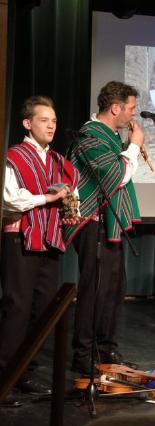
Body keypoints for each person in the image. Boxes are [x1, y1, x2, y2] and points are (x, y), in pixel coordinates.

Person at [1, 96, 79, 398]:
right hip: (20, 236)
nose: (51, 125)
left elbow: (68, 196)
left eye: (54, 120)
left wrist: (71, 211)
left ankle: (25, 372)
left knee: (43, 309)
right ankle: (4, 374)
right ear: (27, 123)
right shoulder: (14, 155)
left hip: (49, 238)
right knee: (17, 306)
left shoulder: (59, 160)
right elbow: (10, 198)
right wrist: (46, 199)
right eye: (44, 119)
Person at [64, 81, 144, 374]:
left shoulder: (109, 136)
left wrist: (129, 147)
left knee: (112, 290)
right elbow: (115, 175)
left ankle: (105, 349)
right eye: (131, 108)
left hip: (111, 224)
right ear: (115, 108)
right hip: (93, 224)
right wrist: (134, 146)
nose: (133, 113)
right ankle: (84, 355)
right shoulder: (89, 136)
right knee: (94, 289)